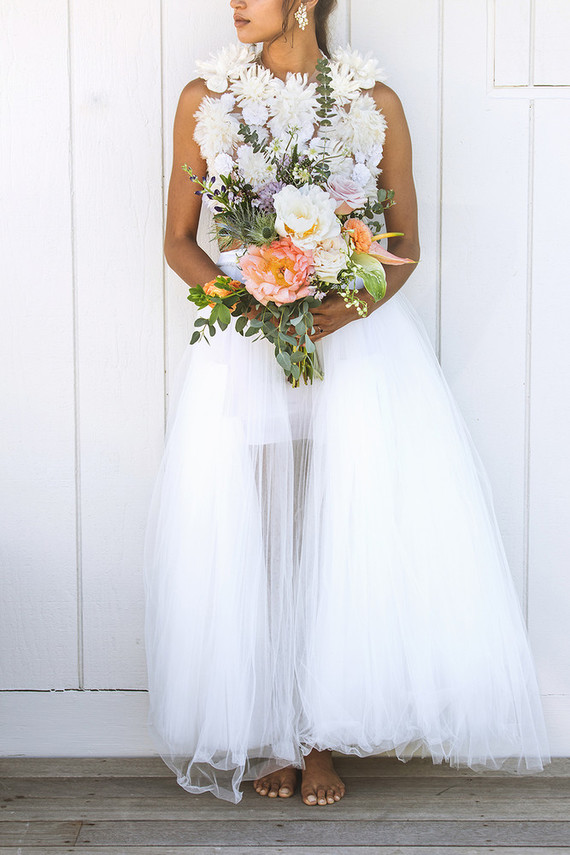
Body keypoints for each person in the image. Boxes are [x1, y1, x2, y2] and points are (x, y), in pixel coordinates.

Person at [143, 0, 551, 807]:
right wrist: (252, 299)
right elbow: (179, 239)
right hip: (250, 349)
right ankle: (270, 728)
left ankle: (318, 738)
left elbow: (403, 245)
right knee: (257, 537)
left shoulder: (375, 103)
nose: (235, 3)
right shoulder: (205, 99)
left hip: (354, 350)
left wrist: (345, 305)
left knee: (338, 529)